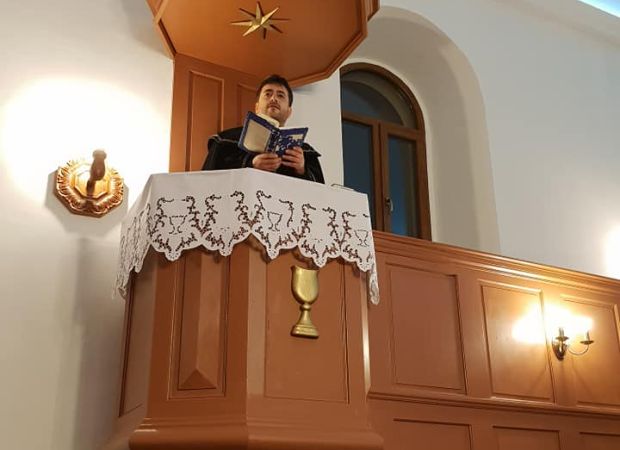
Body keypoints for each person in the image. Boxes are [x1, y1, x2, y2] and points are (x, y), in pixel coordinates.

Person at [201, 74, 325, 184]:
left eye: (280, 95)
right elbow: (207, 181)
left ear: (289, 112)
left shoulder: (305, 153)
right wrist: (250, 164)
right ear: (256, 107)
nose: (273, 99)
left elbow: (321, 194)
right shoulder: (225, 141)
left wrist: (302, 170)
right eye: (268, 94)